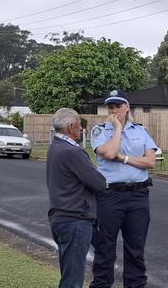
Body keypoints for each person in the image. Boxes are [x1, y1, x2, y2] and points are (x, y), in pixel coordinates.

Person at [90, 90, 157, 288]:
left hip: (138, 196)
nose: (114, 110)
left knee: (136, 248)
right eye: (110, 107)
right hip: (110, 196)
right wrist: (118, 128)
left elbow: (151, 162)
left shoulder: (141, 131)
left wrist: (124, 158)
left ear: (127, 107)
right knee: (105, 247)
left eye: (118, 106)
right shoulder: (100, 131)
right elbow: (110, 153)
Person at [46, 108, 107, 288]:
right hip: (75, 219)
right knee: (72, 279)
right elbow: (99, 183)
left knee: (68, 272)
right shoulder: (72, 152)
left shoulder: (54, 147)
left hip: (60, 217)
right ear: (71, 127)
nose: (81, 129)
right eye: (80, 125)